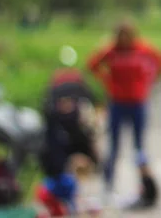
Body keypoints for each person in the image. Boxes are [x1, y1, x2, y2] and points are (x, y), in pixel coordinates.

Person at [88, 21, 161, 209]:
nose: (123, 39)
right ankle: (108, 187)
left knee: (139, 148)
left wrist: (149, 80)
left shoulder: (141, 48)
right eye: (120, 35)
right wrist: (107, 81)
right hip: (117, 103)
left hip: (138, 102)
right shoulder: (111, 51)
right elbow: (92, 64)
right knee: (113, 147)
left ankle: (142, 187)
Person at [37, 60, 99, 216]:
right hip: (58, 181)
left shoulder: (79, 126)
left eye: (70, 102)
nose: (67, 105)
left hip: (72, 178)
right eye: (63, 102)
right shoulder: (53, 127)